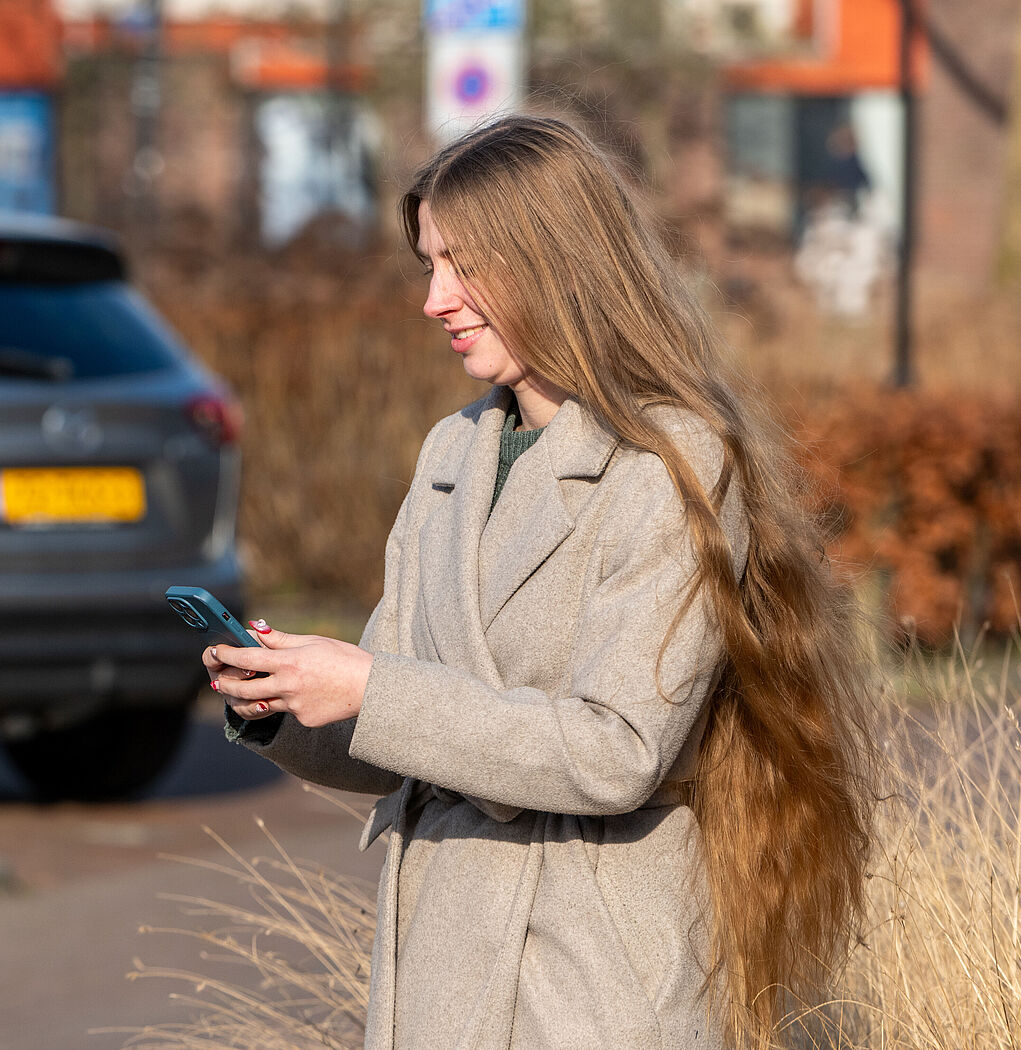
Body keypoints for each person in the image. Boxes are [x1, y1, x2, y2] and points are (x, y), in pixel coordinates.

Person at [204, 115, 875, 1050]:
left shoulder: (674, 462)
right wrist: (286, 701)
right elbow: (402, 734)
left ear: (559, 263)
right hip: (438, 967)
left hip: (588, 978)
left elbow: (616, 750)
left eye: (465, 265)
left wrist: (372, 688)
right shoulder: (451, 454)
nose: (436, 299)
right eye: (430, 264)